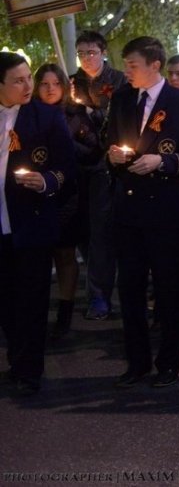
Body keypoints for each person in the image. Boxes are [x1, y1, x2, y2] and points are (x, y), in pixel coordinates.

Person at [105, 36, 179, 389]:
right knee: (130, 289)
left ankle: (169, 362)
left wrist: (163, 161)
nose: (127, 71)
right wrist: (113, 156)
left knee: (168, 289)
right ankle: (137, 362)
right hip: (129, 208)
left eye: (133, 65)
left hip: (166, 210)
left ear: (154, 66)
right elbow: (110, 141)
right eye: (126, 64)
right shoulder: (121, 100)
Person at [0, 52, 76, 395]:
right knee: (6, 299)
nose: (28, 85)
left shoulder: (45, 117)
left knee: (31, 298)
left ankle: (30, 368)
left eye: (28, 77)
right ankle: (17, 358)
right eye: (18, 80)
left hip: (30, 223)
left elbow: (67, 168)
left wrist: (47, 181)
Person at [34, 63, 100, 340]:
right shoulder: (28, 114)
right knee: (36, 254)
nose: (50, 89)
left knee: (65, 252)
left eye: (56, 84)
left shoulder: (75, 114)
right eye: (45, 84)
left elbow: (93, 150)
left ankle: (65, 310)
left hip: (68, 193)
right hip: (34, 192)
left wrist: (65, 143)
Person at [71, 30, 126, 321]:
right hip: (78, 164)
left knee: (101, 233)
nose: (86, 58)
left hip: (106, 165)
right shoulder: (73, 82)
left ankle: (99, 295)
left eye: (91, 52)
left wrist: (93, 112)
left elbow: (118, 118)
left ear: (102, 52)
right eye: (81, 53)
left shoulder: (118, 81)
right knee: (83, 231)